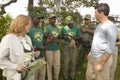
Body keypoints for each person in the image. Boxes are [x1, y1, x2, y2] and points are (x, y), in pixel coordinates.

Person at [0, 15, 39, 80]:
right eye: (28, 24)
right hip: (15, 76)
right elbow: (1, 59)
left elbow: (23, 54)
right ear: (22, 24)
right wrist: (16, 66)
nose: (30, 26)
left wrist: (32, 54)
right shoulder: (8, 38)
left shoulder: (28, 38)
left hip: (29, 74)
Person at [86, 3, 118, 80]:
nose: (95, 15)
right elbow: (97, 40)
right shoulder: (100, 25)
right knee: (89, 77)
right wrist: (91, 53)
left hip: (101, 59)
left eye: (96, 13)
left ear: (102, 13)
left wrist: (101, 63)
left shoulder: (110, 27)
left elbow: (110, 48)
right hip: (93, 58)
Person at [60, 16, 81, 80]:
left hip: (74, 46)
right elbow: (61, 36)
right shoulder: (64, 28)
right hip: (66, 46)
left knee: (73, 62)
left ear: (72, 22)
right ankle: (65, 76)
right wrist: (64, 37)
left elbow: (80, 37)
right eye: (69, 23)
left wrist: (73, 37)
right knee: (66, 62)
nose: (70, 24)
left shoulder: (77, 28)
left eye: (71, 23)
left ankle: (72, 75)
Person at [27, 12, 46, 80]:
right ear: (32, 19)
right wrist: (39, 47)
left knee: (42, 76)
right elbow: (26, 45)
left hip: (42, 57)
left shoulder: (40, 29)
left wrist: (45, 45)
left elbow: (43, 41)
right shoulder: (28, 30)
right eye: (37, 18)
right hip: (33, 58)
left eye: (40, 18)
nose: (39, 20)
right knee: (34, 76)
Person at [44, 14, 60, 80]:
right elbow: (46, 35)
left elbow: (57, 38)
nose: (53, 20)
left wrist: (57, 39)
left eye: (54, 19)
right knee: (49, 65)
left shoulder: (57, 28)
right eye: (52, 19)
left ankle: (56, 78)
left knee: (57, 65)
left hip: (57, 49)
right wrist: (51, 38)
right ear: (49, 20)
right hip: (49, 49)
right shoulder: (47, 27)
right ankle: (49, 78)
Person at [108, 16, 120, 80]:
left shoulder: (117, 30)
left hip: (113, 50)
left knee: (112, 67)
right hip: (104, 50)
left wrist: (113, 43)